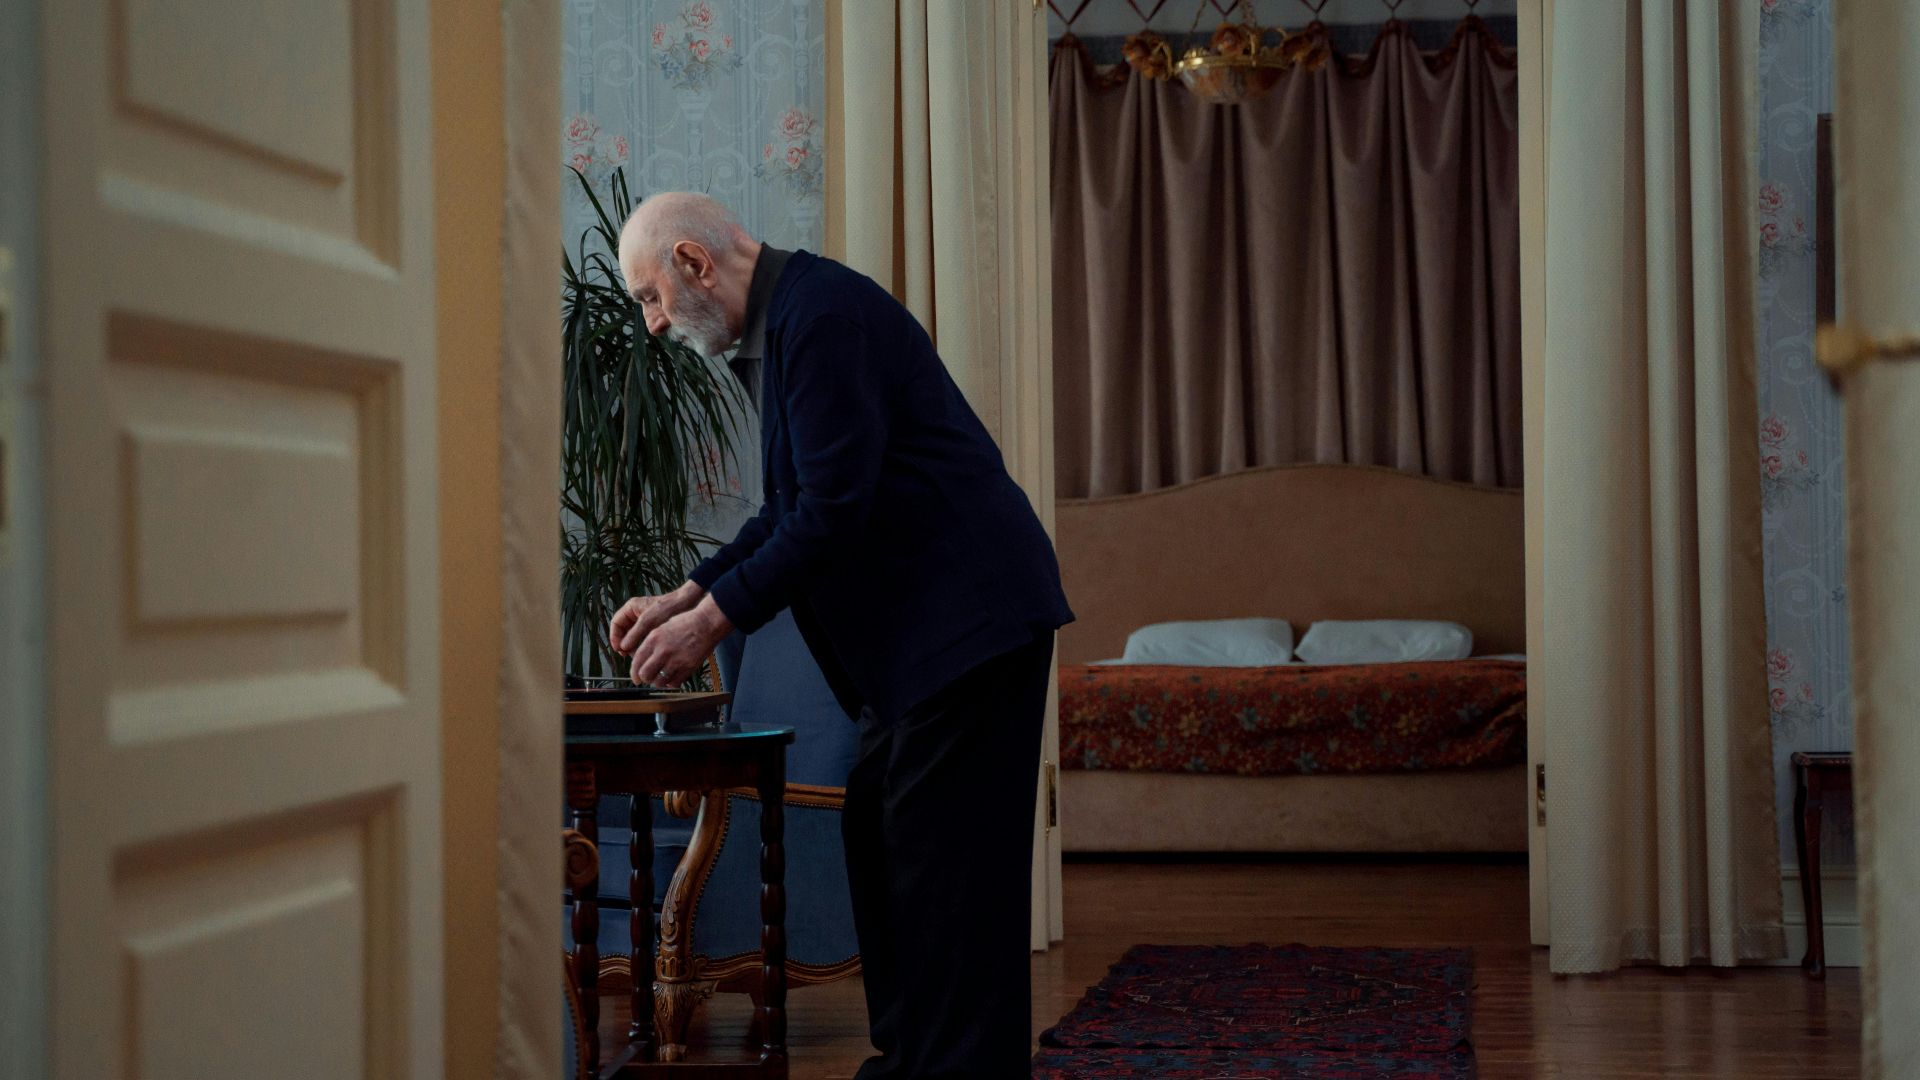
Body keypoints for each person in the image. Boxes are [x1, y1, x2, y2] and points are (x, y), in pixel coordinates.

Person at [607, 192, 1073, 1079]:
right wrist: (684, 595)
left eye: (651, 297)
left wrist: (710, 623)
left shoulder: (822, 319)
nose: (654, 324)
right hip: (929, 645)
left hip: (971, 628)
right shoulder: (786, 324)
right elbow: (784, 510)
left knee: (950, 882)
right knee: (883, 837)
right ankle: (913, 1063)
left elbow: (830, 515)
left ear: (694, 263)